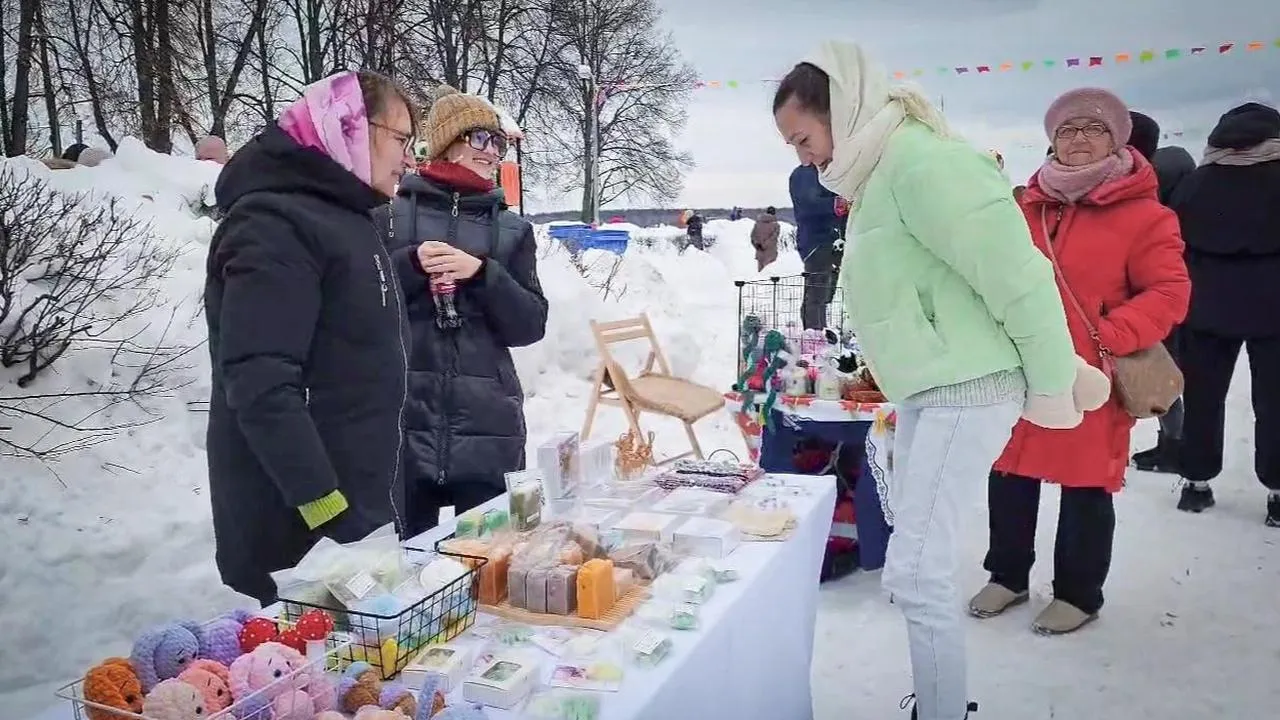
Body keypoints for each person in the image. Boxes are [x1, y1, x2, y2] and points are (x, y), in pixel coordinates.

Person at [772, 41, 1104, 720]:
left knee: (919, 571)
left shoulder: (925, 165)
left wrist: (1051, 380)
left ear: (843, 109)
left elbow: (1018, 278)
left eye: (803, 138)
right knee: (914, 564)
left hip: (969, 387)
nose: (802, 157)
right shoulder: (877, 174)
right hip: (935, 386)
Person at [972, 88, 1190, 637]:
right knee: (1009, 468)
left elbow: (1169, 292)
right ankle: (1007, 574)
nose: (1078, 139)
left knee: (1087, 481)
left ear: (1117, 140)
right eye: (1067, 130)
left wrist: (1108, 337)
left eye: (1093, 129)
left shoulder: (1146, 215)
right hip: (1021, 364)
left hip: (1092, 373)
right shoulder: (1025, 207)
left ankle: (1078, 592)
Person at [203, 70, 417, 605]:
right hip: (302, 527)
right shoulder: (273, 223)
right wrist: (324, 506)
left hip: (352, 510)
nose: (409, 159)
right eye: (401, 139)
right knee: (309, 659)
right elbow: (260, 383)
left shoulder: (346, 215)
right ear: (350, 127)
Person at [386, 85, 548, 538]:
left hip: (488, 427)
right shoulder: (390, 216)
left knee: (485, 563)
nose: (492, 151)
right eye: (480, 138)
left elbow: (530, 325)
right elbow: (361, 304)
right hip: (403, 424)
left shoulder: (512, 229)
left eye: (498, 142)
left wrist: (484, 274)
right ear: (447, 142)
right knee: (399, 565)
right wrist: (410, 265)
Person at [1169, 101, 1280, 525]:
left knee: (1203, 398)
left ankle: (1196, 484)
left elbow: (1175, 242)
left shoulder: (1196, 184)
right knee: (1276, 403)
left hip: (1206, 309)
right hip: (1274, 311)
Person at [1126, 111, 1197, 473]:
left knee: (1159, 371)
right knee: (1165, 370)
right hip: (1182, 288)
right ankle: (1173, 444)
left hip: (1155, 291)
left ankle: (1173, 446)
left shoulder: (1146, 182)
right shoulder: (1179, 178)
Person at [789, 163, 842, 329]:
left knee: (825, 294)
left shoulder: (827, 171)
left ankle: (821, 332)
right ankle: (813, 335)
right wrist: (836, 204)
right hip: (816, 241)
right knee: (816, 294)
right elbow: (807, 204)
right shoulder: (805, 173)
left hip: (834, 240)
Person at [750, 205, 781, 271]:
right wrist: (764, 245)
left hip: (759, 251)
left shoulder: (757, 224)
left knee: (760, 273)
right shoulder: (776, 225)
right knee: (770, 272)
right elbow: (773, 238)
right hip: (770, 252)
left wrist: (757, 245)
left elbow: (752, 236)